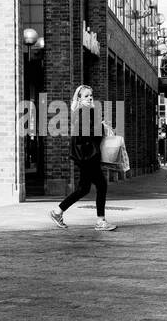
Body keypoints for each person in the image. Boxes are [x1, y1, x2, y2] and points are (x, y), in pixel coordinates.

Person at [50, 85, 117, 231]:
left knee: (84, 188)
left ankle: (57, 212)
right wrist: (102, 128)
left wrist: (100, 125)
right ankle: (100, 221)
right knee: (101, 185)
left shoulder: (83, 111)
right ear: (79, 98)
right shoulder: (84, 111)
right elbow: (86, 133)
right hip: (87, 156)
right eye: (86, 96)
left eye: (91, 95)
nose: (90, 97)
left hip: (84, 155)